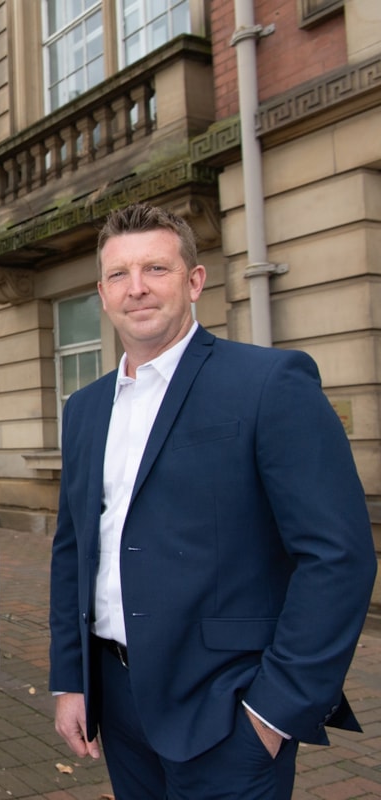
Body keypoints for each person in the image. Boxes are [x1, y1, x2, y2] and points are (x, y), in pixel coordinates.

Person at [49, 202, 376, 799]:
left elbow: (338, 557)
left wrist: (274, 714)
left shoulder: (269, 384)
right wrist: (72, 679)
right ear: (102, 292)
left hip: (227, 706)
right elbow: (74, 549)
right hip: (118, 700)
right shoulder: (85, 409)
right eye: (119, 274)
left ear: (194, 281)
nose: (137, 288)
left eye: (156, 269)